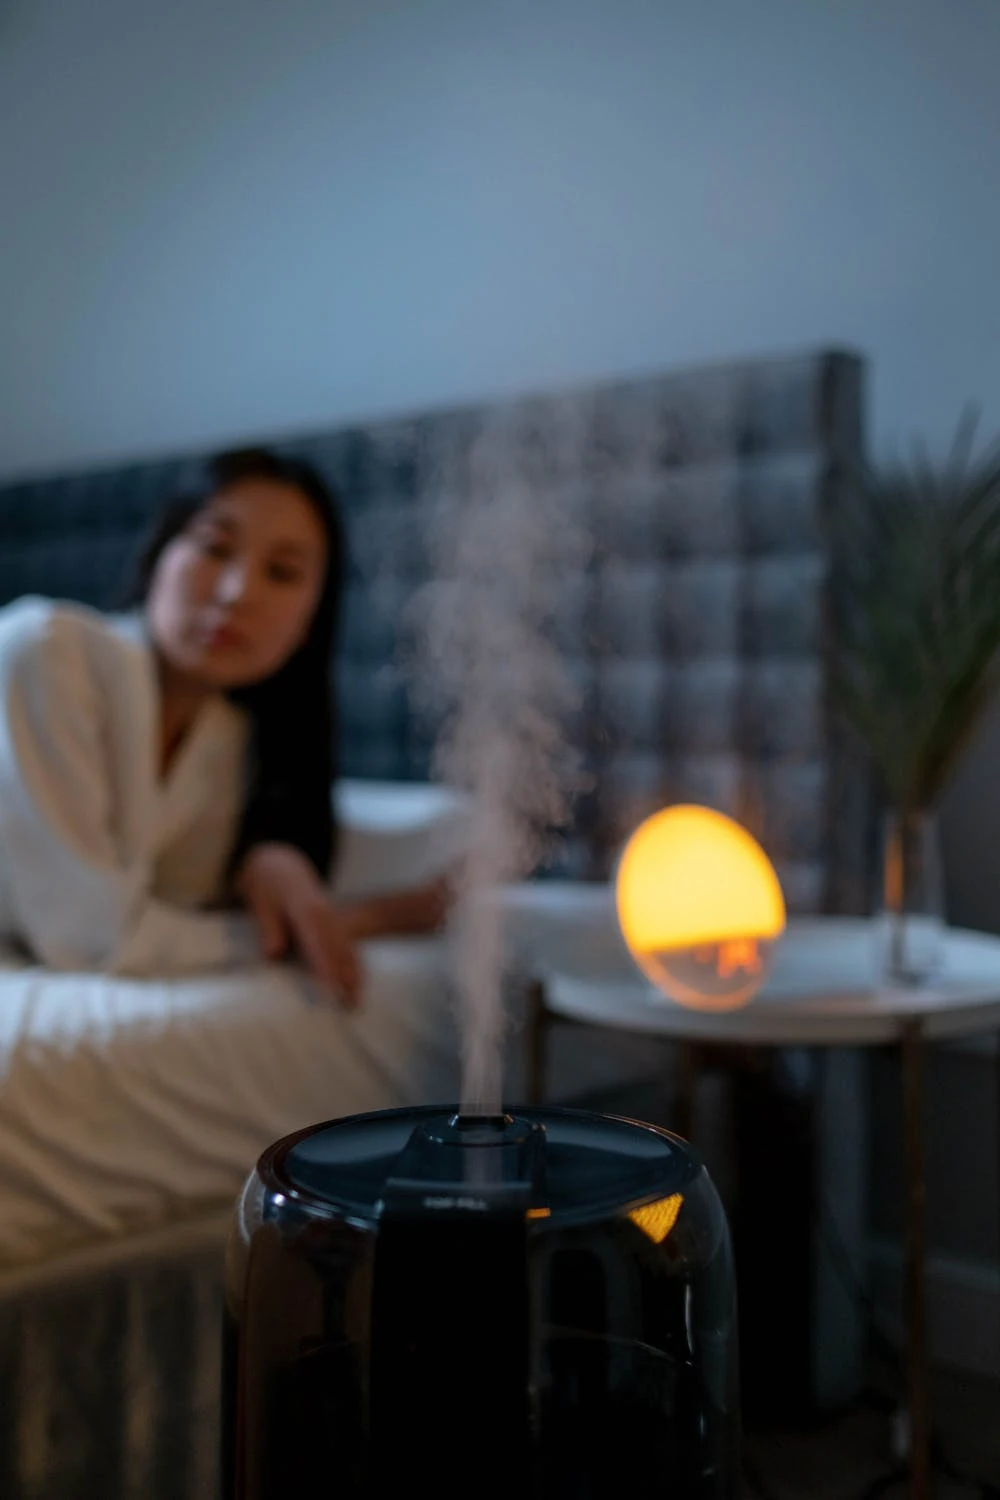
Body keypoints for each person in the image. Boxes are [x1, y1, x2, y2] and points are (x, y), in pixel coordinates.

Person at [0, 447, 449, 1005]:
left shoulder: (232, 749)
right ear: (160, 555)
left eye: (282, 573)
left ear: (311, 620)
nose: (237, 592)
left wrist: (274, 864)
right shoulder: (45, 653)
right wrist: (361, 920)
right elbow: (92, 940)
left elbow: (176, 914)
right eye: (214, 547)